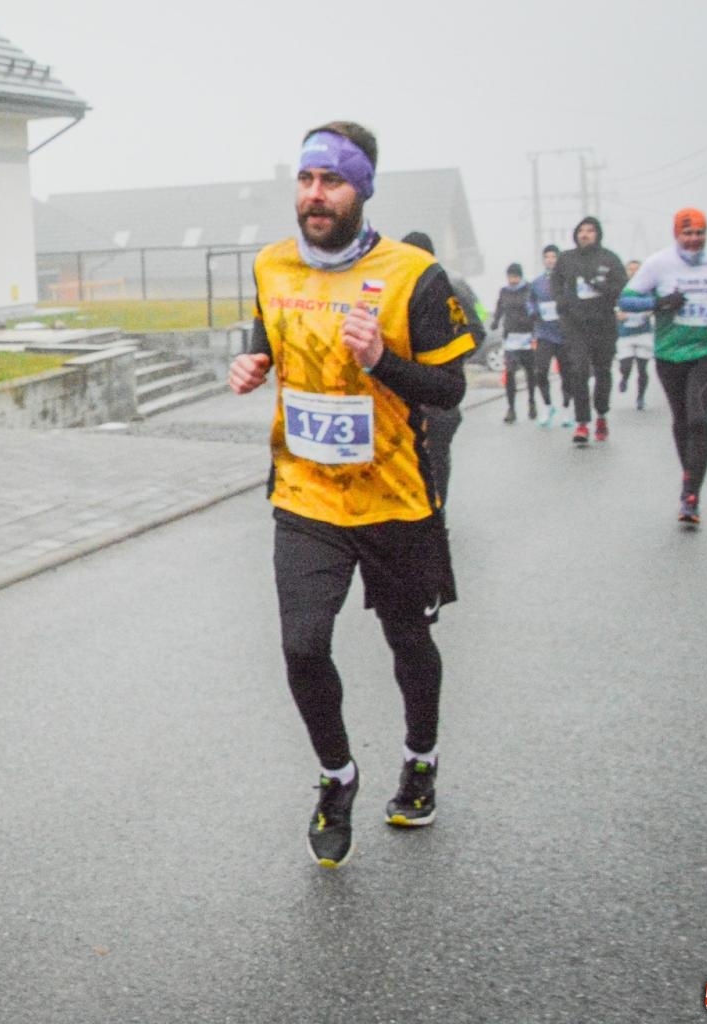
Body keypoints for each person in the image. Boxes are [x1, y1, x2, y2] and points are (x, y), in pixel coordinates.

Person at [227, 121, 474, 869]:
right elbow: (266, 327)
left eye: (331, 181)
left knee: (407, 640)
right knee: (303, 644)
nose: (314, 194)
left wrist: (383, 360)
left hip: (395, 496)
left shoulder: (415, 275)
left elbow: (450, 386)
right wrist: (251, 359)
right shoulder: (272, 265)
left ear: (362, 188)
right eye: (306, 180)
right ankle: (338, 778)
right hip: (306, 493)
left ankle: (420, 759)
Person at [618, 207, 707, 526]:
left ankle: (691, 494)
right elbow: (626, 300)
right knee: (682, 420)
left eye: (699, 233)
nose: (694, 240)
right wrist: (659, 303)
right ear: (677, 235)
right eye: (688, 234)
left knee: (698, 417)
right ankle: (690, 479)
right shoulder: (658, 264)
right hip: (670, 352)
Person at [399, 230, 483, 507]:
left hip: (436, 394)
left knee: (434, 456)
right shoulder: (392, 286)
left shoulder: (449, 285)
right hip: (402, 395)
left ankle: (435, 513)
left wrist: (449, 360)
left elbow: (476, 330)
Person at [552, 216, 627, 445]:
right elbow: (555, 282)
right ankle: (582, 423)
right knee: (579, 371)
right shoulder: (566, 259)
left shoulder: (609, 258)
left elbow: (623, 286)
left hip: (603, 323)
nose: (585, 234)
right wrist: (562, 301)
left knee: (603, 371)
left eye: (590, 230)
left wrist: (606, 288)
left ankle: (601, 414)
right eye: (581, 231)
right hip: (576, 325)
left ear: (598, 234)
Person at [489, 262, 544, 422]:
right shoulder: (504, 291)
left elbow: (535, 309)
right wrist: (496, 321)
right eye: (510, 277)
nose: (512, 280)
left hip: (527, 336)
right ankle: (511, 408)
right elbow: (500, 308)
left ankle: (532, 402)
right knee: (510, 372)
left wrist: (536, 325)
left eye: (515, 276)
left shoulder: (529, 290)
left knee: (530, 372)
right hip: (511, 337)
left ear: (520, 276)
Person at [529, 245, 565, 426]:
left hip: (563, 333)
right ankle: (547, 405)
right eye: (547, 257)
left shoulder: (566, 280)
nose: (550, 260)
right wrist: (533, 312)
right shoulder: (536, 283)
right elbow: (530, 301)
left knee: (568, 373)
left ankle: (568, 408)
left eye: (553, 257)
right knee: (540, 372)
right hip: (544, 333)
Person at [616, 259, 654, 411]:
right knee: (625, 365)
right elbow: (613, 307)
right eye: (630, 270)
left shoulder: (648, 289)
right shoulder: (621, 289)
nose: (634, 272)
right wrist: (618, 314)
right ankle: (624, 377)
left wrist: (649, 313)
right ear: (626, 272)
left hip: (643, 332)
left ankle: (640, 397)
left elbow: (655, 305)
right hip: (625, 333)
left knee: (642, 368)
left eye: (637, 270)